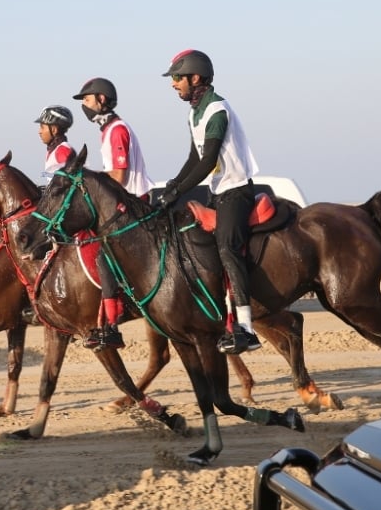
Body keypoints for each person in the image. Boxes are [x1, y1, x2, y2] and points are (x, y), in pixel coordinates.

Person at [154, 49, 262, 355]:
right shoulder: (194, 112)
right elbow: (194, 158)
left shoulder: (217, 110)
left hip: (236, 191)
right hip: (217, 192)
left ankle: (246, 330)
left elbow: (209, 160)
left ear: (195, 77)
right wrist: (173, 185)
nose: (173, 84)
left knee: (227, 247)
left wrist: (179, 191)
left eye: (177, 78)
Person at [72, 77, 153, 349]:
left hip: (132, 202)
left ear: (101, 99)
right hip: (122, 203)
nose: (84, 105)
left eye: (86, 99)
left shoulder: (116, 129)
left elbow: (118, 175)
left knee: (105, 257)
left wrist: (88, 179)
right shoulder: (106, 130)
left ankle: (112, 325)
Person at [34, 105, 76, 174]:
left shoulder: (62, 150)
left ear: (54, 130)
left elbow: (74, 177)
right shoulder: (53, 150)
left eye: (42, 127)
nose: (39, 132)